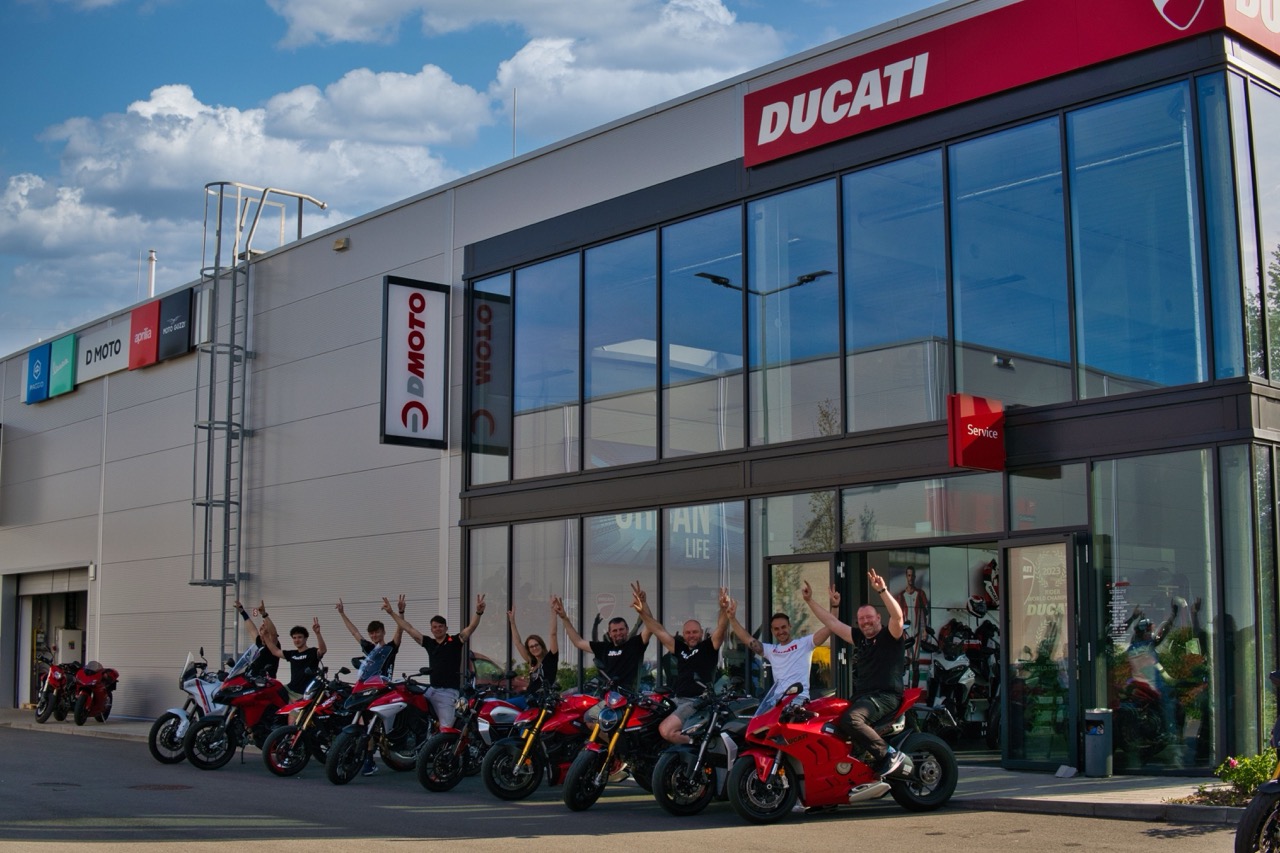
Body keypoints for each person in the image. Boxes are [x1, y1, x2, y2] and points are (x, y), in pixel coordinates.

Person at [803, 568, 907, 778]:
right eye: (861, 619)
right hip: (863, 697)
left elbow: (897, 616)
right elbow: (832, 623)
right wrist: (809, 601)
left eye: (869, 617)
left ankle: (887, 754)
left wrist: (882, 590)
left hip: (885, 696)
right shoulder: (860, 638)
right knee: (830, 722)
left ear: (878, 618)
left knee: (851, 719)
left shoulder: (890, 635)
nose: (866, 622)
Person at [630, 581, 729, 744]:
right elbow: (657, 629)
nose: (691, 635)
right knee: (646, 719)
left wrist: (724, 609)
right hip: (677, 699)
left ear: (701, 632)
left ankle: (700, 747)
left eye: (695, 632)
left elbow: (722, 627)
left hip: (696, 701)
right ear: (683, 634)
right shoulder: (680, 648)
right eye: (688, 633)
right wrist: (643, 607)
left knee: (666, 730)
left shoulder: (709, 646)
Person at [382, 594, 486, 729]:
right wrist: (393, 612)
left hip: (448, 693)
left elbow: (471, 627)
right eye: (435, 627)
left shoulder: (455, 641)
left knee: (447, 729)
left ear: (446, 628)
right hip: (431, 690)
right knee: (403, 693)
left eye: (440, 626)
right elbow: (408, 628)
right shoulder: (429, 643)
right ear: (431, 630)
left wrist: (478, 612)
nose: (438, 629)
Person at [722, 587, 834, 710]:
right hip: (776, 701)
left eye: (783, 627)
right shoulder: (771, 650)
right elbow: (748, 640)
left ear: (790, 626)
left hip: (798, 700)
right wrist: (732, 618)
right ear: (772, 631)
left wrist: (834, 607)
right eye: (776, 629)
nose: (781, 631)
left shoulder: (805, 644)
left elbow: (830, 627)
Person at [336, 596, 404, 776]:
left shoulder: (390, 649)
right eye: (372, 633)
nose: (374, 636)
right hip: (367, 690)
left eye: (377, 632)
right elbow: (354, 632)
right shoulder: (369, 649)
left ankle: (378, 752)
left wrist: (400, 612)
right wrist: (342, 613)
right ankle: (368, 759)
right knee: (366, 725)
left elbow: (400, 631)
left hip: (384, 691)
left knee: (375, 725)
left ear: (383, 632)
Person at [553, 593, 652, 688]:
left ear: (627, 630)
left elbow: (650, 626)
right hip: (605, 694)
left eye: (621, 629)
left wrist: (643, 603)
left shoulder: (634, 644)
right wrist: (564, 618)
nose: (618, 633)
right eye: (614, 630)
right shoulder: (604, 648)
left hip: (628, 695)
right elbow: (578, 642)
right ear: (610, 633)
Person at [508, 603, 559, 708]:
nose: (534, 648)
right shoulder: (532, 662)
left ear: (541, 645)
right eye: (531, 647)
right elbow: (518, 642)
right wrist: (512, 622)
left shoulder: (550, 658)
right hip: (527, 698)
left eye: (536, 645)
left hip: (540, 701)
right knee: (502, 705)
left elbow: (553, 634)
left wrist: (553, 612)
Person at [266, 615, 328, 696]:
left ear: (305, 638)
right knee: (271, 693)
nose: (297, 640)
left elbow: (323, 650)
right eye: (294, 638)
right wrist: (265, 636)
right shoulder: (292, 653)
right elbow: (275, 651)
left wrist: (318, 633)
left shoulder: (312, 652)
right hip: (290, 689)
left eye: (299, 637)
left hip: (305, 694)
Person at [895, 566, 929, 688]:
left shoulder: (920, 594)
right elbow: (896, 616)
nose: (910, 578)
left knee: (915, 664)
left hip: (917, 633)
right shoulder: (901, 596)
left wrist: (924, 630)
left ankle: (914, 689)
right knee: (905, 662)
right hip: (905, 634)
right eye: (908, 575)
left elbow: (925, 613)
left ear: (915, 577)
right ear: (906, 577)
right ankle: (904, 688)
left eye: (912, 575)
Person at [233, 599, 281, 680]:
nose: (261, 627)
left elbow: (273, 633)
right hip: (253, 679)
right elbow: (252, 630)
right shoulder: (259, 641)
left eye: (264, 626)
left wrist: (264, 615)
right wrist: (242, 611)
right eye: (261, 626)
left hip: (266, 681)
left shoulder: (273, 644)